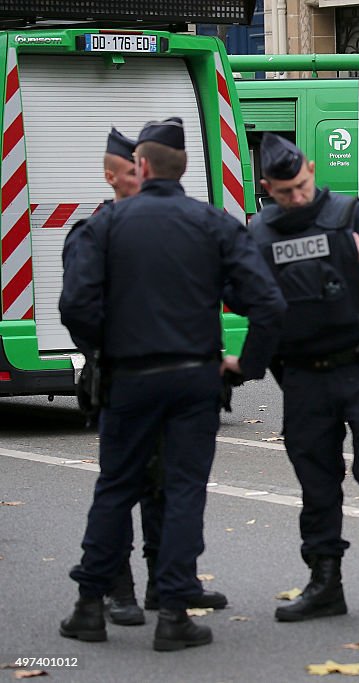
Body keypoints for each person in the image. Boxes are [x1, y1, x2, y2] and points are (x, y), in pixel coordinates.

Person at [58, 118, 286, 651]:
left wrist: (102, 349)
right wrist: (244, 365)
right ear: (184, 169)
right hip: (194, 378)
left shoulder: (106, 225)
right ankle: (174, 612)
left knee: (115, 488)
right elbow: (269, 304)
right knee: (184, 489)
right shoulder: (214, 224)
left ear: (141, 166)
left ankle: (90, 607)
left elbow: (75, 304)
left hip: (129, 377)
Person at [247, 133, 359, 623]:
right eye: (285, 193)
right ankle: (325, 582)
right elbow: (244, 297)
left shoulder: (355, 216)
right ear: (267, 187)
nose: (297, 198)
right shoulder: (259, 234)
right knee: (316, 481)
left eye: (302, 186)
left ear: (310, 168)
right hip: (304, 376)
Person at [63, 128, 230, 629]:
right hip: (124, 369)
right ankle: (118, 589)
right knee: (126, 482)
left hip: (153, 370)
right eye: (130, 168)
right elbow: (81, 304)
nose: (140, 174)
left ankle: (168, 583)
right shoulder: (97, 228)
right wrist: (107, 349)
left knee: (163, 485)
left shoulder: (169, 223)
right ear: (117, 175)